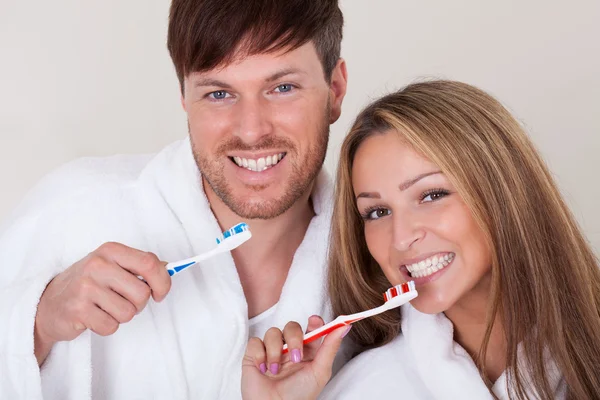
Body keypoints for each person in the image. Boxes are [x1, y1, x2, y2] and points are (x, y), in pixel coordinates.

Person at [0, 0, 348, 398]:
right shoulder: (72, 209)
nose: (251, 131)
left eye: (282, 88)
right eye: (219, 94)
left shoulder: (380, 265)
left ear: (334, 91)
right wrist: (36, 322)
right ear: (184, 97)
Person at [242, 80, 600, 399]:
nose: (400, 238)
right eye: (377, 212)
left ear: (502, 193)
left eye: (431, 196)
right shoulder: (365, 388)